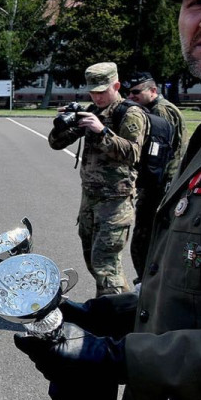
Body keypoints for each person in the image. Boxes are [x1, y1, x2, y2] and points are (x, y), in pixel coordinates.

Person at [15, 0, 201, 400]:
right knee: (102, 285)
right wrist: (110, 316)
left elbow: (140, 159)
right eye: (196, 3)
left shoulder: (139, 117)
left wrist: (117, 357)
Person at [48, 62, 146, 297]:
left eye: (102, 91)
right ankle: (117, 307)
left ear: (117, 86)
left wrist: (102, 131)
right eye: (93, 92)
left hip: (116, 201)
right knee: (93, 261)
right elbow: (56, 144)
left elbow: (133, 153)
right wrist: (63, 125)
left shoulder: (130, 113)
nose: (97, 97)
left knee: (106, 265)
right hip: (90, 198)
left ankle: (115, 315)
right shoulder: (92, 111)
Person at [124, 71, 188, 280]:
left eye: (136, 92)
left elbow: (157, 154)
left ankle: (147, 284)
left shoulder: (160, 111)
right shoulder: (155, 109)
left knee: (144, 238)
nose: (131, 96)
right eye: (128, 92)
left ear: (152, 90)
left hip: (160, 184)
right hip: (161, 182)